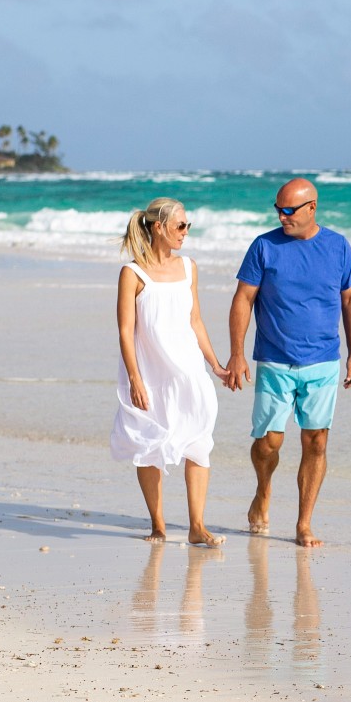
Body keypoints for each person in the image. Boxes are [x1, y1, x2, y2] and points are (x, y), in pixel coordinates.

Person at [224, 178, 351, 548]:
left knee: (316, 440)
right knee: (269, 441)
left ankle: (303, 524)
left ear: (311, 208)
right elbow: (243, 299)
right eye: (278, 210)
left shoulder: (337, 247)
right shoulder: (264, 246)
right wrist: (237, 353)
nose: (283, 217)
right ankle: (264, 489)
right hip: (274, 359)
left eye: (290, 210)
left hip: (323, 361)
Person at [112, 197, 228, 547]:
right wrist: (134, 378)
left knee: (199, 442)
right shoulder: (133, 273)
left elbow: (195, 320)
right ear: (159, 227)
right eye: (181, 226)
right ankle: (158, 525)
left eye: (188, 225)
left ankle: (197, 526)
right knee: (149, 444)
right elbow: (124, 331)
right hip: (150, 374)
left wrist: (215, 365)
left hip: (189, 370)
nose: (185, 232)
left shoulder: (189, 267)